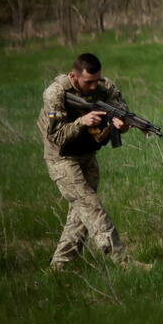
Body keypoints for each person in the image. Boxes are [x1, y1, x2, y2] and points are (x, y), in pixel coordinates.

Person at [37, 52, 149, 270]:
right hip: (61, 157)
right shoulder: (55, 93)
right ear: (74, 76)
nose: (93, 86)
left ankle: (59, 268)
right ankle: (123, 261)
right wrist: (81, 121)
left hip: (87, 153)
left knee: (81, 215)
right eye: (88, 82)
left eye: (97, 80)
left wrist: (121, 124)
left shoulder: (105, 87)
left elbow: (121, 111)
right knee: (91, 206)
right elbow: (56, 137)